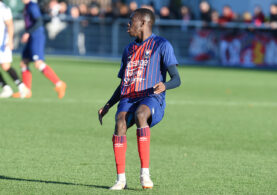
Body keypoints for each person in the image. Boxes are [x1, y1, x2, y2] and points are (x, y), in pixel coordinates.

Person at [98, 8, 181, 190]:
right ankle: (121, 180)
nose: (128, 25)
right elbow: (123, 84)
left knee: (141, 115)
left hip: (151, 96)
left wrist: (165, 85)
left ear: (143, 23)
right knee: (120, 121)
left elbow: (177, 79)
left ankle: (145, 175)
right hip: (129, 96)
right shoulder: (128, 49)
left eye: (131, 21)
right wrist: (108, 105)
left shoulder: (162, 45)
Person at [13, 0, 66, 99]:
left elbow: (39, 21)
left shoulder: (32, 6)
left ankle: (59, 84)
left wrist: (28, 32)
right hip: (31, 36)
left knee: (38, 63)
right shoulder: (27, 6)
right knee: (24, 62)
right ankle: (26, 91)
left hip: (36, 36)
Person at [0, 0, 30, 98]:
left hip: (3, 43)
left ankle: (21, 86)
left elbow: (10, 25)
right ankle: (6, 87)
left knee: (5, 66)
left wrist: (10, 40)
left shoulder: (4, 8)